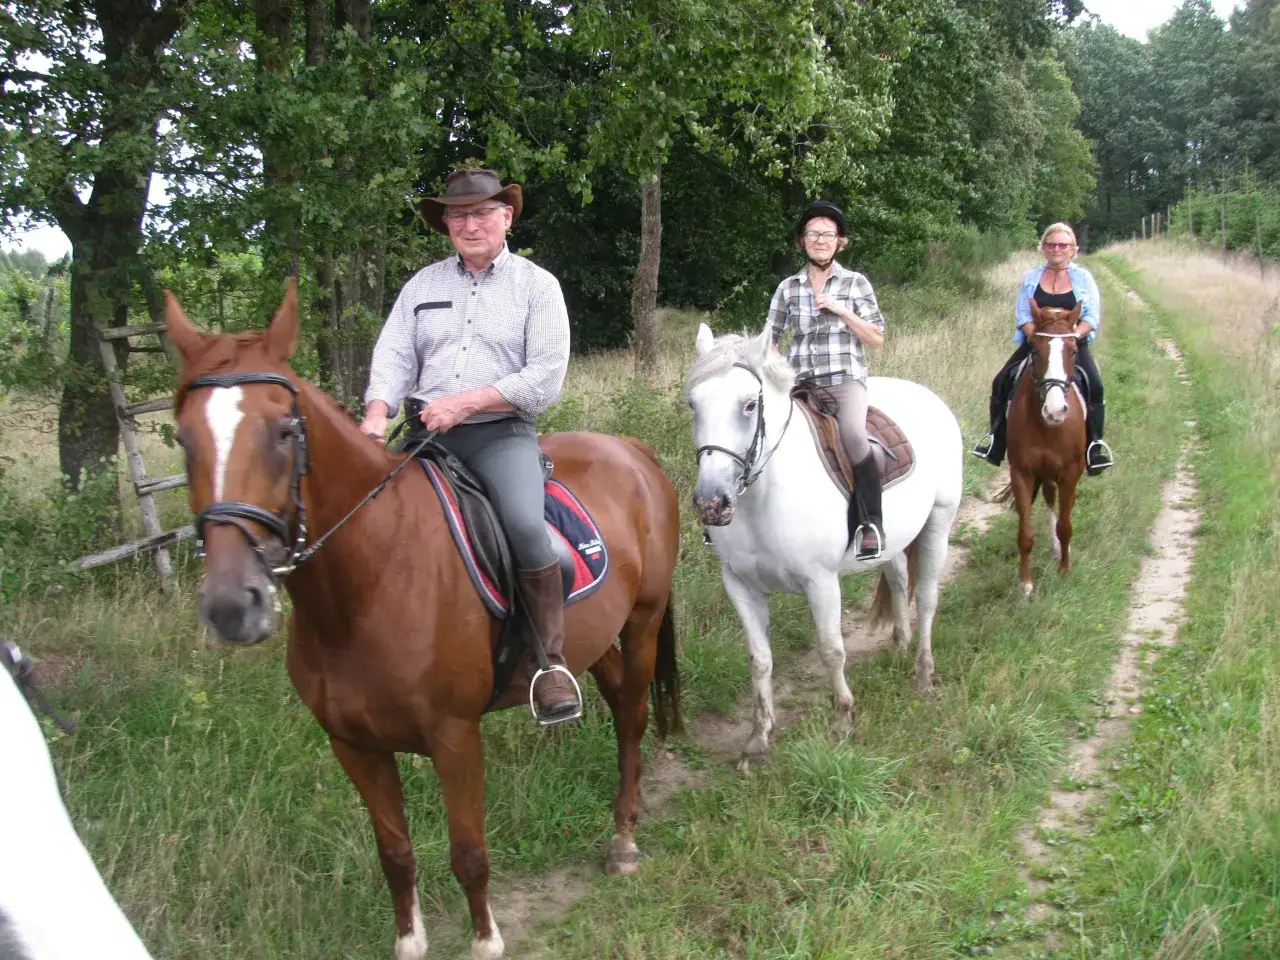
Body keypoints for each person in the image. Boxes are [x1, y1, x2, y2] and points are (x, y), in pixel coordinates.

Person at [359, 167, 580, 725]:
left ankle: (548, 663)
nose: (469, 224)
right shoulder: (422, 286)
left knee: (526, 527)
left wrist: (469, 402)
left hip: (498, 434)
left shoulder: (538, 286)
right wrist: (375, 413)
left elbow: (546, 374)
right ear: (446, 225)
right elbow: (393, 356)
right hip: (423, 433)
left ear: (507, 217)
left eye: (482, 213)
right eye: (458, 216)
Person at [763, 200, 887, 561]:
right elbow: (771, 337)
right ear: (802, 241)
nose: (820, 240)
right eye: (813, 234)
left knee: (851, 434)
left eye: (828, 234)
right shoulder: (788, 287)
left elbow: (876, 339)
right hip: (800, 383)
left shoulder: (855, 283)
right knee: (759, 429)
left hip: (844, 380)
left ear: (840, 242)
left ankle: (870, 524)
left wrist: (841, 308)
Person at [972, 222, 1114, 475]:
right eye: (1051, 244)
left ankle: (1094, 446)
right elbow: (1023, 315)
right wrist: (1035, 337)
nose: (1056, 249)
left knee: (1095, 384)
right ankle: (996, 440)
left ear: (1073, 249)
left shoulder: (1084, 278)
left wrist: (1073, 336)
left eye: (1062, 245)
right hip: (1038, 345)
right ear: (1043, 248)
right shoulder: (1031, 278)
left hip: (1071, 345)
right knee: (1001, 381)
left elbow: (1091, 317)